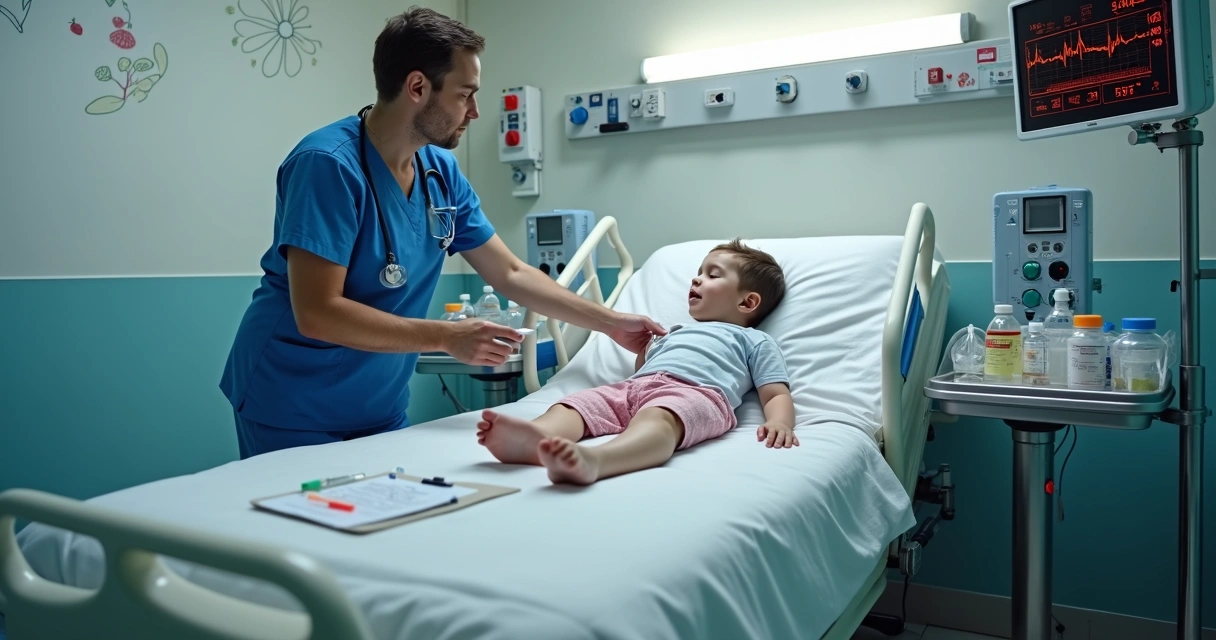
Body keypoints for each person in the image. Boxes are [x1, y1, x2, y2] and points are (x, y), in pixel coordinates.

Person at [219, 7, 663, 459]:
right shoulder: (327, 165)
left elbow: (510, 272)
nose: (474, 111)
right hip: (294, 402)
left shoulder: (440, 172)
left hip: (378, 404)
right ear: (417, 87)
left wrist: (613, 324)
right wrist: (447, 337)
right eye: (464, 94)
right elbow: (317, 312)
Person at [477, 239, 797, 485]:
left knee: (659, 420)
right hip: (636, 387)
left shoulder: (754, 340)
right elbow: (643, 370)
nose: (696, 280)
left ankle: (599, 461)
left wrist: (780, 422)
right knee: (577, 404)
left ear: (747, 301)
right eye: (698, 272)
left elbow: (776, 392)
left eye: (712, 275)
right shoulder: (674, 331)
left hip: (696, 394)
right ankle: (537, 436)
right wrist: (644, 352)